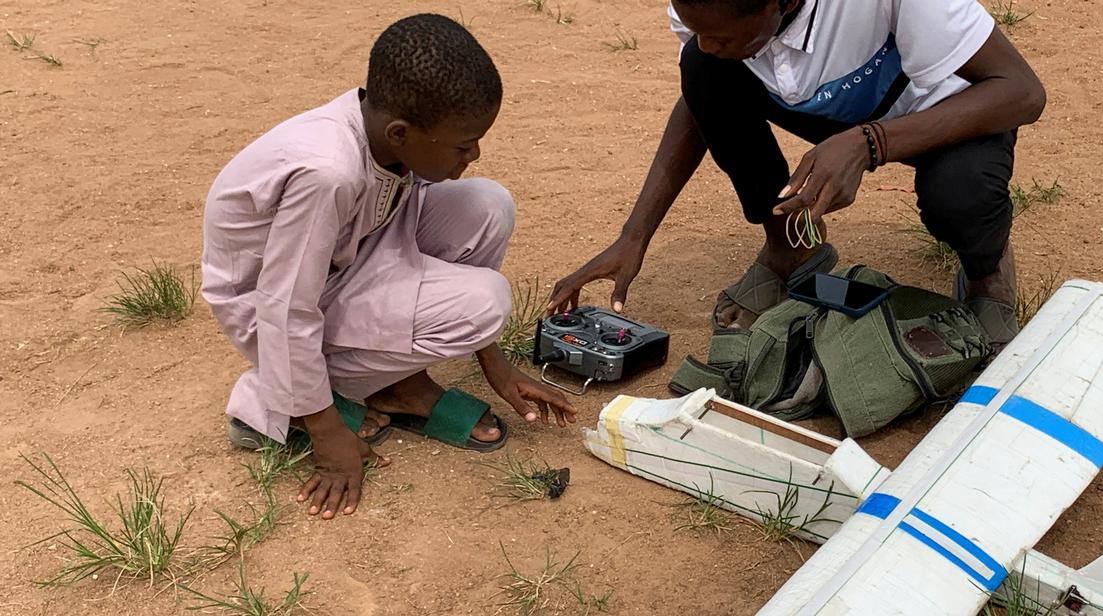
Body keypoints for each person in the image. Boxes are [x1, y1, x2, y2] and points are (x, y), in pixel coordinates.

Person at [201, 14, 576, 520]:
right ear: (400, 133)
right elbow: (284, 307)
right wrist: (329, 436)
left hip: (354, 255)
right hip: (272, 307)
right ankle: (279, 404)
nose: (475, 153)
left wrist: (496, 365)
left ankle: (397, 378)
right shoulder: (327, 174)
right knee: (484, 301)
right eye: (464, 144)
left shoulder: (383, 136)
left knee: (488, 205)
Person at [548, 0, 1045, 346]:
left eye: (722, 34)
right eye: (694, 25)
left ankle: (987, 272)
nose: (705, 40)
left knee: (959, 198)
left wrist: (871, 142)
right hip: (838, 110)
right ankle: (792, 246)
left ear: (781, 4)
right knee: (703, 69)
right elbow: (701, 99)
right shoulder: (716, 15)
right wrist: (635, 235)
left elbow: (1022, 91)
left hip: (949, 115)